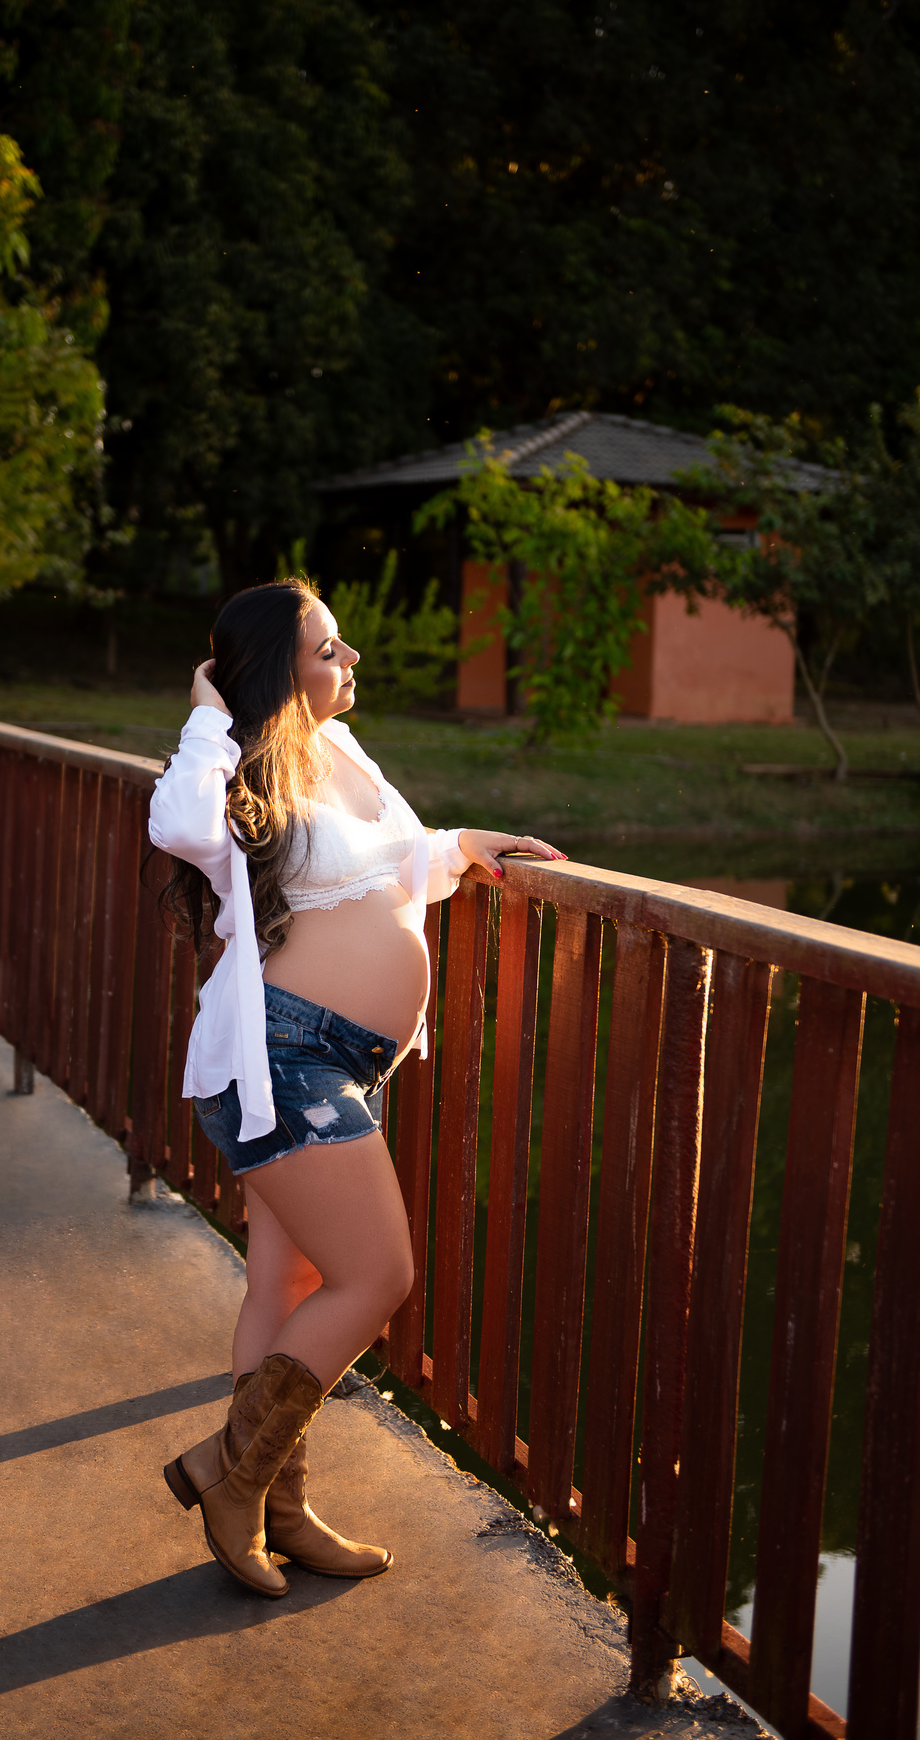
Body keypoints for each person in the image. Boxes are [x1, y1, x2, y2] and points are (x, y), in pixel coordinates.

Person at [147, 576, 566, 1598]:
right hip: (283, 1058)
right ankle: (231, 1475)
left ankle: (275, 1506)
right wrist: (208, 714)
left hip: (340, 1062)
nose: (351, 659)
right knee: (377, 1277)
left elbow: (395, 863)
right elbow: (179, 825)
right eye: (328, 648)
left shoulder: (341, 751)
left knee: (285, 1287)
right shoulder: (241, 759)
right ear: (275, 671)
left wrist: (464, 846)